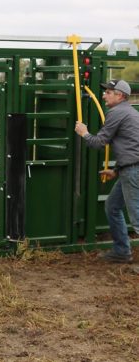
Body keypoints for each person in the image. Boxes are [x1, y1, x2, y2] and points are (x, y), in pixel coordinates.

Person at [75, 79, 139, 263]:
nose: (104, 95)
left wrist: (84, 133)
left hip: (133, 170)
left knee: (136, 216)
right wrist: (116, 171)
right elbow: (132, 147)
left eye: (109, 92)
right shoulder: (129, 112)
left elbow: (98, 142)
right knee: (112, 206)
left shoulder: (117, 112)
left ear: (120, 95)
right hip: (130, 169)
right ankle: (121, 251)